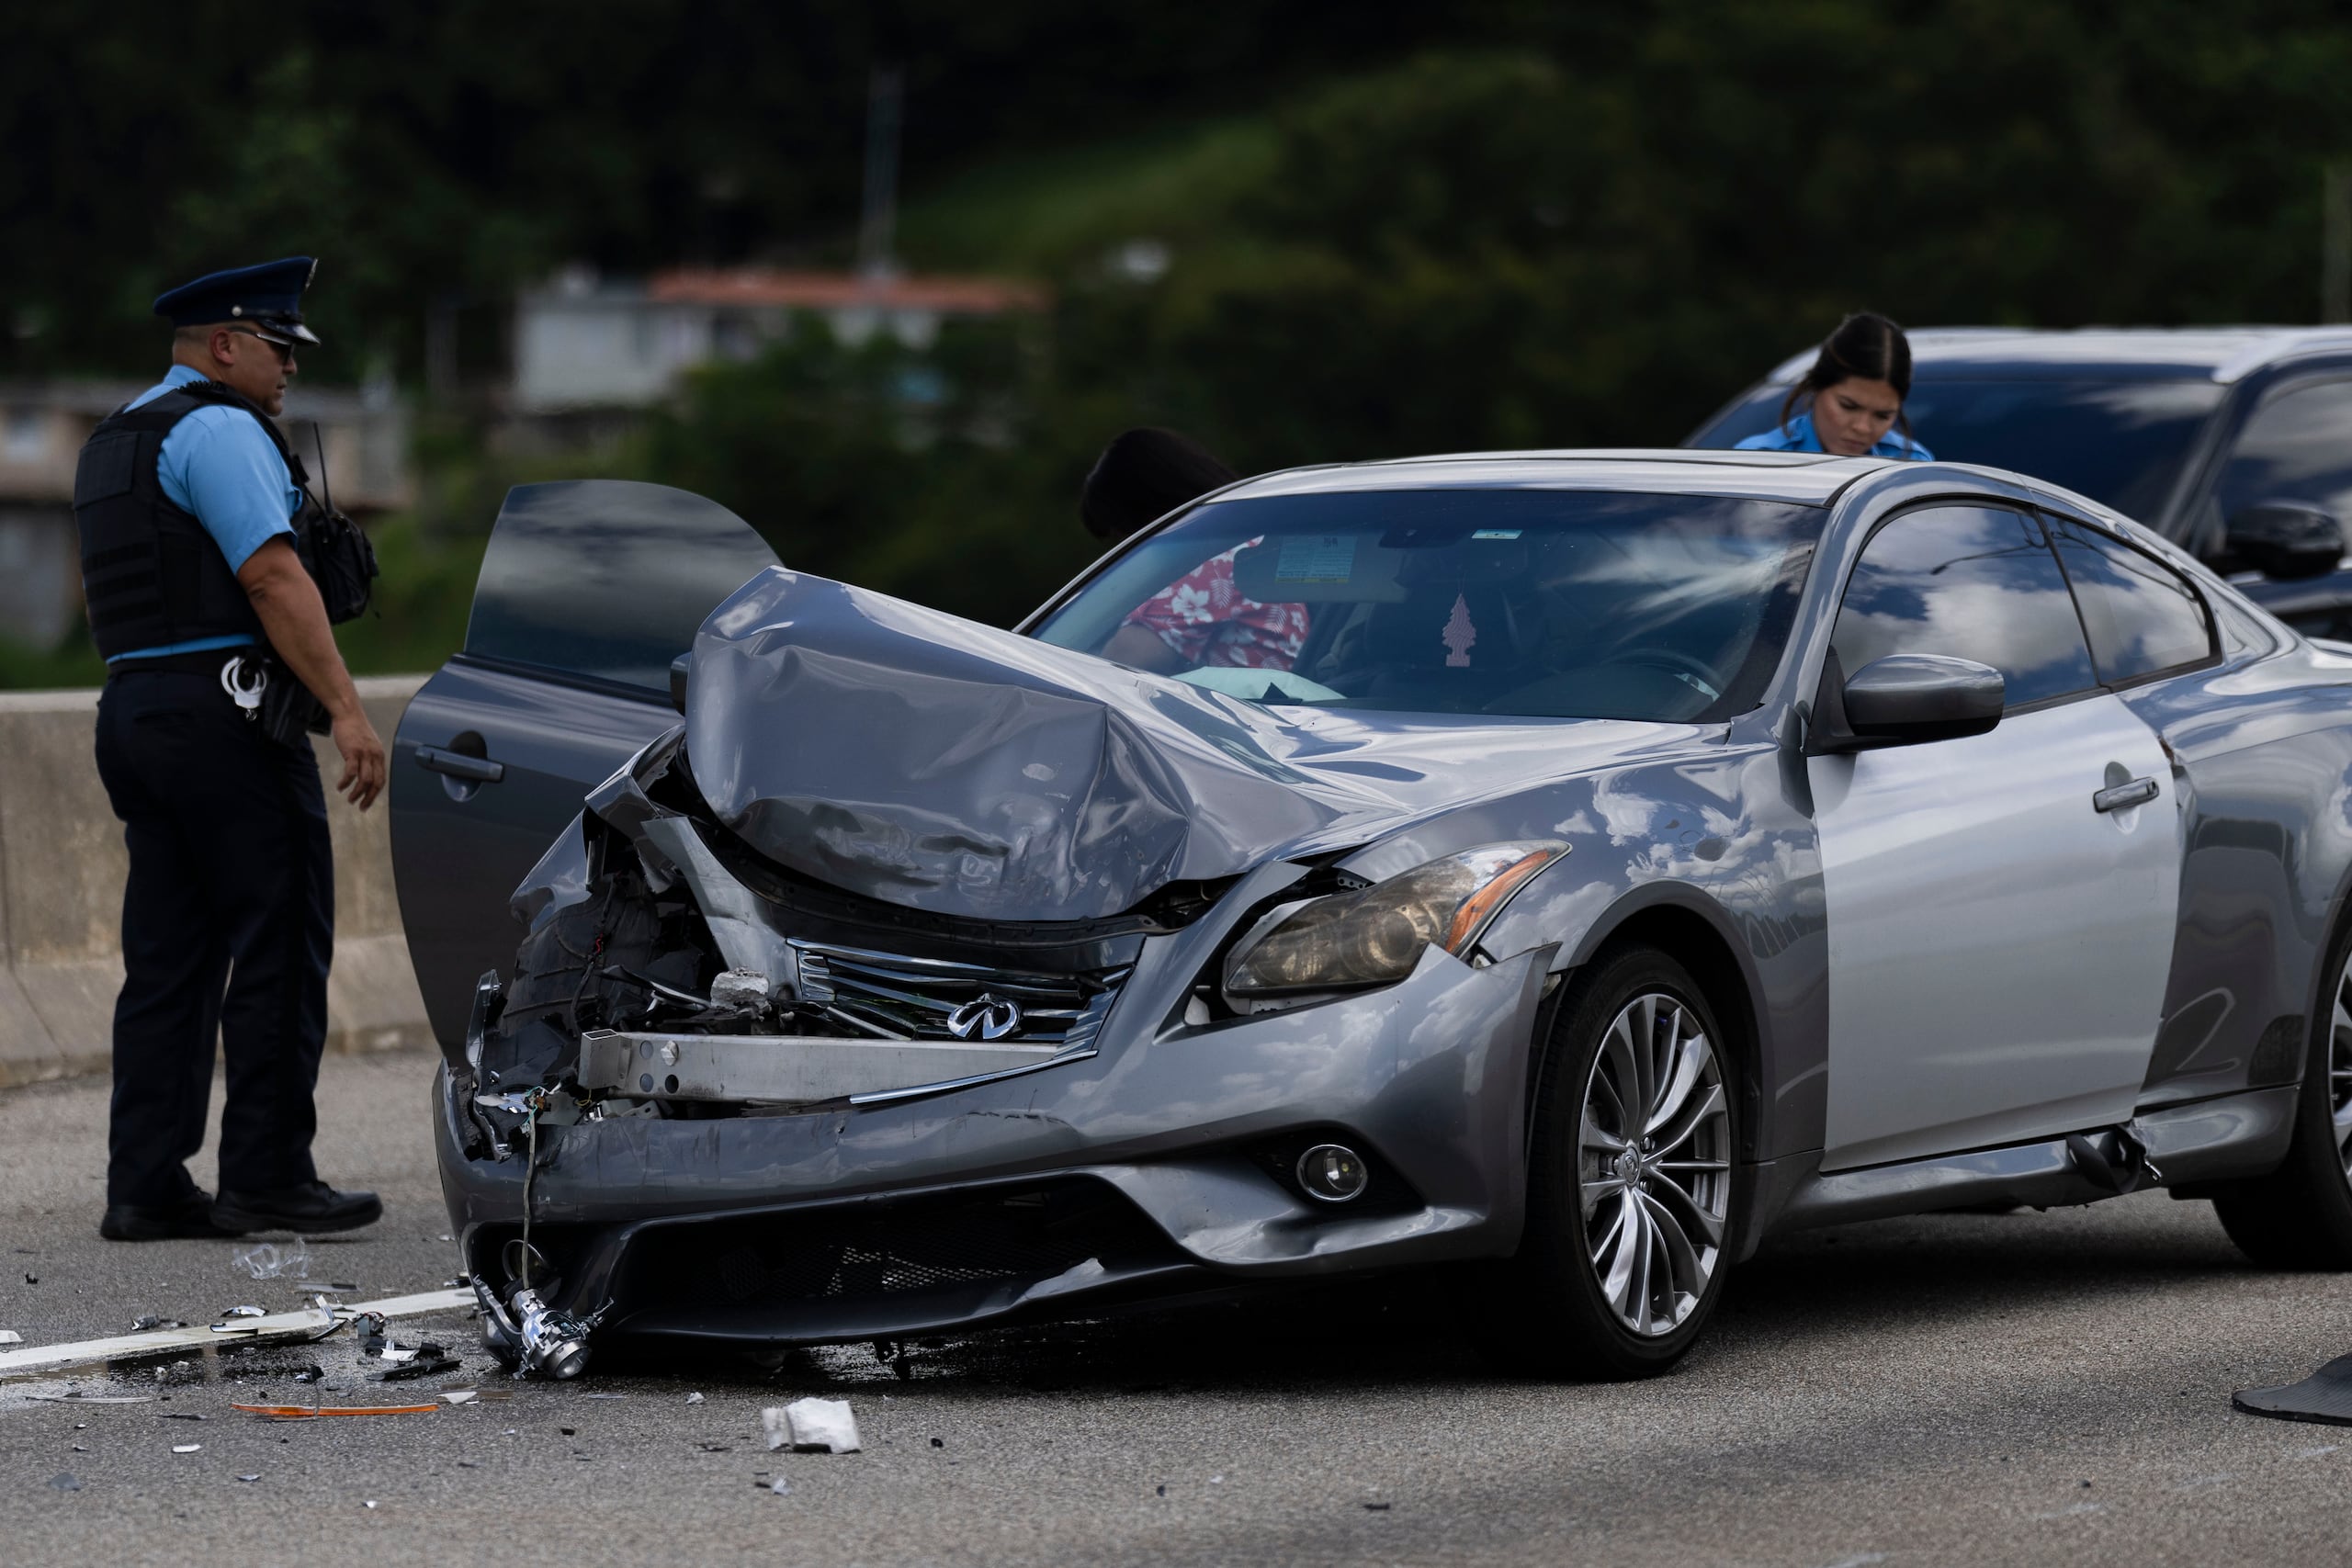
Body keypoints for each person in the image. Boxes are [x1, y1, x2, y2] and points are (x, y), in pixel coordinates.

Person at [75, 256, 389, 1241]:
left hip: (135, 708)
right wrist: (345, 708)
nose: (289, 367)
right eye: (278, 347)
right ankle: (266, 1173)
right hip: (229, 712)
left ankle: (147, 1183)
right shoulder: (218, 431)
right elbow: (272, 578)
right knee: (279, 937)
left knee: (168, 957)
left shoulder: (111, 443)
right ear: (224, 346)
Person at [1736, 311, 1933, 460]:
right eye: (1848, 406)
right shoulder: (1756, 462)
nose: (1863, 428)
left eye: (1882, 415)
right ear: (1817, 386)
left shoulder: (1910, 468)